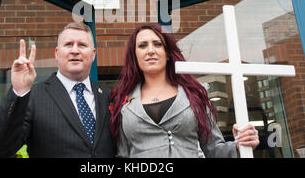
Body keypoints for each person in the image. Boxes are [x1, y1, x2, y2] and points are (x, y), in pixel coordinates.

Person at [109, 23, 260, 158]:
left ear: (167, 53)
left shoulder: (194, 95)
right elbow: (123, 154)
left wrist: (240, 145)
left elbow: (214, 149)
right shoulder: (123, 102)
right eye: (142, 45)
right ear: (135, 55)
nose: (150, 50)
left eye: (157, 44)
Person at [0, 22, 116, 158]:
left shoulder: (109, 97)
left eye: (82, 45)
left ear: (93, 54)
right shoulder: (33, 97)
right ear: (56, 53)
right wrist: (19, 92)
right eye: (68, 44)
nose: (75, 50)